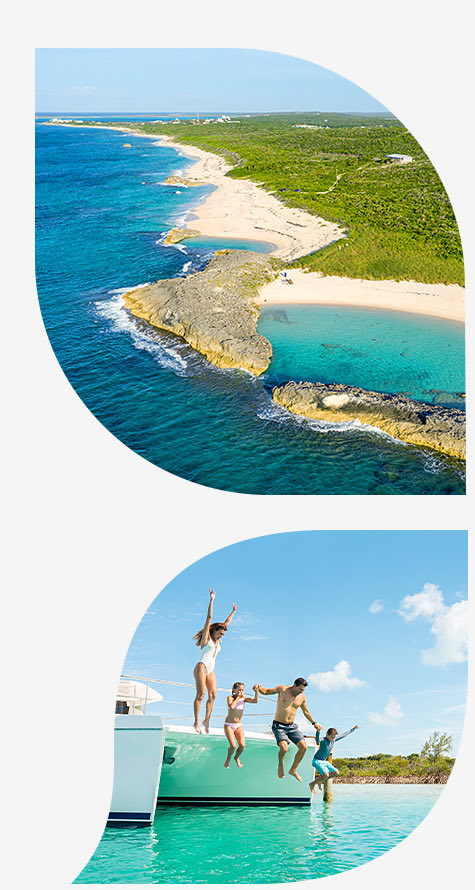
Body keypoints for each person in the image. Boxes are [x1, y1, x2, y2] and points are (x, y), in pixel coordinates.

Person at [254, 678, 321, 781]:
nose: (301, 692)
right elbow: (267, 691)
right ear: (294, 685)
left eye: (303, 690)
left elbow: (306, 712)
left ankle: (293, 770)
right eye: (300, 689)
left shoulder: (302, 697)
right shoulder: (282, 690)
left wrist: (314, 723)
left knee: (304, 747)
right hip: (279, 726)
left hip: (291, 727)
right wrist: (259, 688)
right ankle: (280, 764)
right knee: (284, 748)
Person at [192, 588, 238, 734]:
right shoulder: (207, 639)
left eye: (223, 634)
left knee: (213, 695)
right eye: (220, 633)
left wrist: (233, 611)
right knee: (201, 695)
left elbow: (227, 623)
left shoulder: (219, 640)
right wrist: (212, 600)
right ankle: (197, 721)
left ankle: (207, 720)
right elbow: (209, 618)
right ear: (214, 631)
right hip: (202, 667)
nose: (222, 636)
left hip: (211, 669)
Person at [309, 724, 359, 793]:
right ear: (327, 734)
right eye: (331, 737)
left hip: (324, 762)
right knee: (326, 775)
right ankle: (312, 783)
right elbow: (317, 740)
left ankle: (320, 780)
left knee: (336, 772)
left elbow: (343, 735)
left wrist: (353, 729)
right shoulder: (323, 740)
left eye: (334, 737)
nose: (332, 739)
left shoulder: (333, 740)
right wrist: (318, 731)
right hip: (317, 761)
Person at [223, 681, 259, 768]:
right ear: (233, 690)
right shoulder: (230, 698)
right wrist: (238, 697)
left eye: (242, 690)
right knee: (233, 746)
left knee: (242, 746)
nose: (241, 692)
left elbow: (255, 701)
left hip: (238, 725)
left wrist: (256, 691)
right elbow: (231, 707)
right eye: (239, 690)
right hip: (229, 725)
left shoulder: (244, 699)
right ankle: (228, 758)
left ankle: (236, 758)